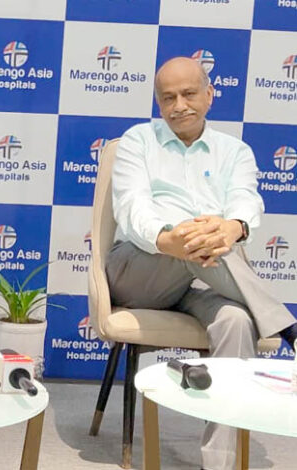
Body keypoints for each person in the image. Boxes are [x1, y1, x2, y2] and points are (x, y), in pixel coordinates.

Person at [107, 56, 297, 470]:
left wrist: (232, 227)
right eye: (168, 98)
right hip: (139, 268)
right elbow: (132, 207)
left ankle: (219, 463)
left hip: (205, 276)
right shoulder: (139, 141)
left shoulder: (235, 151)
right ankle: (287, 326)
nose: (179, 106)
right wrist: (170, 239)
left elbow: (246, 201)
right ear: (159, 103)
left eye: (189, 94)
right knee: (195, 238)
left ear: (210, 95)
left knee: (236, 321)